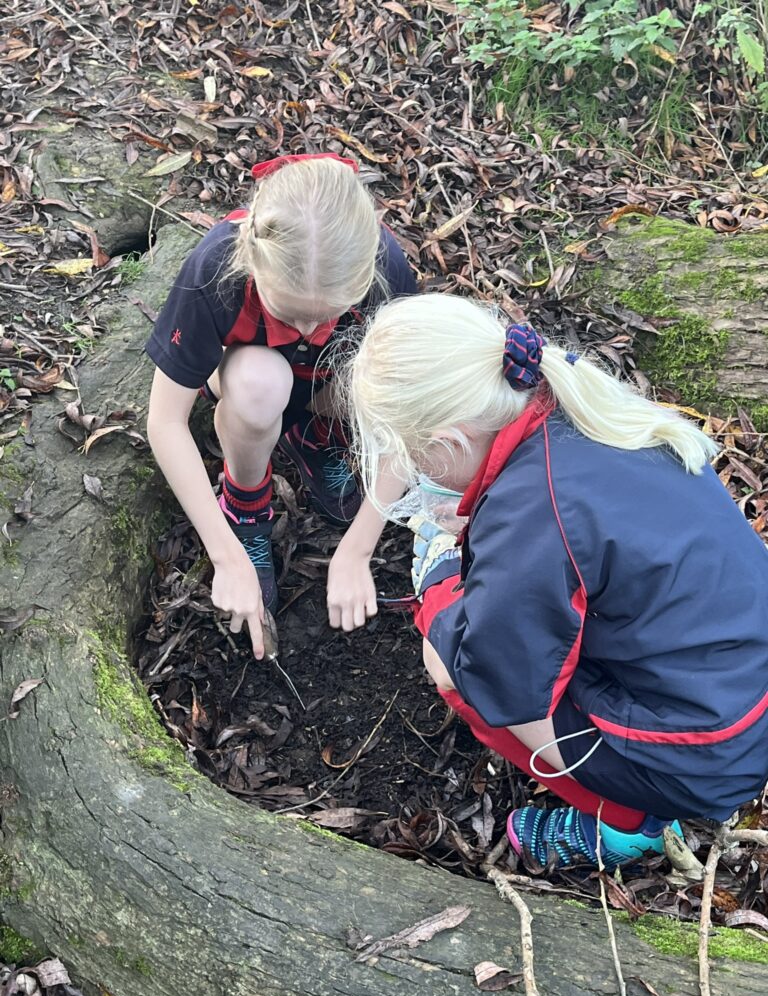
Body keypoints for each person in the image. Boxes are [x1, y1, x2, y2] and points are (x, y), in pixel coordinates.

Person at [345, 292, 768, 870]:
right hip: (738, 694)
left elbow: (494, 673)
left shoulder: (531, 512)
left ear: (448, 443)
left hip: (704, 751)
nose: (416, 473)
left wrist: (441, 572)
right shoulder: (570, 402)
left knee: (449, 665)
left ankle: (628, 825)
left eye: (416, 458)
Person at [145, 154, 417, 657]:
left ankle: (312, 436)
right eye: (289, 312)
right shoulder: (215, 269)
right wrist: (225, 556)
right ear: (251, 259)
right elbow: (164, 421)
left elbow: (409, 419)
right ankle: (247, 502)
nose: (310, 332)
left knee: (376, 374)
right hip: (249, 377)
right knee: (262, 383)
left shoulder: (386, 269)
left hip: (331, 383)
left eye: (327, 315)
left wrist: (359, 549)